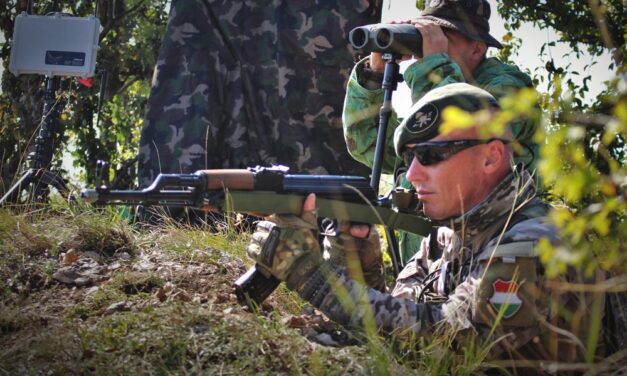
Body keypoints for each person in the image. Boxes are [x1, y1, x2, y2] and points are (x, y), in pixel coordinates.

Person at [247, 84, 603, 367]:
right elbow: (397, 328)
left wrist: (313, 278)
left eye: (431, 156)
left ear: (491, 157)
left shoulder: (533, 241)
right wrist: (357, 264)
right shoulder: (447, 234)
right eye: (410, 157)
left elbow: (452, 345)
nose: (414, 173)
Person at [343, 0, 538, 263]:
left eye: (442, 38)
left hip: (492, 261)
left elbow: (456, 138)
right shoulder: (435, 86)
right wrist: (374, 74)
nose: (429, 45)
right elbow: (367, 143)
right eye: (427, 35)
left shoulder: (508, 89)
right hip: (428, 271)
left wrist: (434, 64)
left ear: (477, 49)